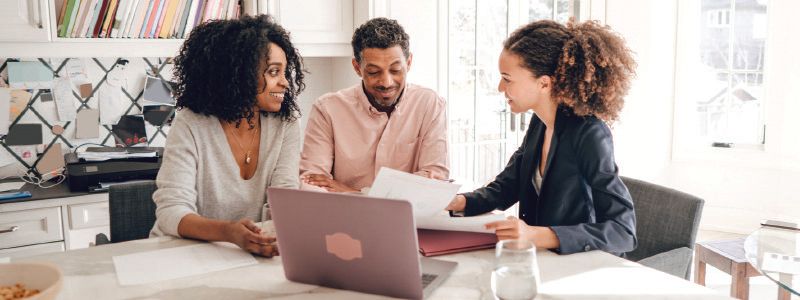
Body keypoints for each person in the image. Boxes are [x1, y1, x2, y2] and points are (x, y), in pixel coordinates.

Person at [446, 20, 637, 255]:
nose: (499, 87)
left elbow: (623, 231)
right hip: (543, 262)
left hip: (581, 266)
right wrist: (457, 202)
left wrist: (538, 235)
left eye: (507, 79)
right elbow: (508, 186)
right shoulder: (540, 123)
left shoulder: (589, 134)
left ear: (544, 83)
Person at [150, 15, 305, 258]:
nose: (285, 82)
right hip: (184, 254)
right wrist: (229, 232)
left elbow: (285, 198)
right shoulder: (191, 124)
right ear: (239, 74)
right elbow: (171, 211)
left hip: (249, 252)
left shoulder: (285, 124)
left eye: (285, 72)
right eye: (274, 72)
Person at [299, 18, 448, 192]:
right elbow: (312, 182)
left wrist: (355, 193)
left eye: (395, 70)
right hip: (345, 218)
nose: (386, 82)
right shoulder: (327, 109)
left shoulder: (430, 105)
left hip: (408, 218)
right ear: (357, 67)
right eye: (373, 72)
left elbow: (435, 180)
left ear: (408, 63)